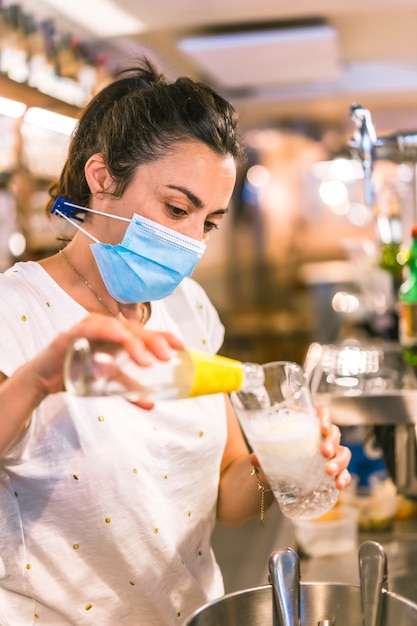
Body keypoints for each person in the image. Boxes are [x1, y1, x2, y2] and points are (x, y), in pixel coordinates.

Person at [0, 58, 351, 626]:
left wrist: (280, 464)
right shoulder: (12, 313)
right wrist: (41, 377)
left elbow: (229, 494)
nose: (191, 242)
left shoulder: (188, 309)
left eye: (209, 222)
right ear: (102, 177)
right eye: (177, 208)